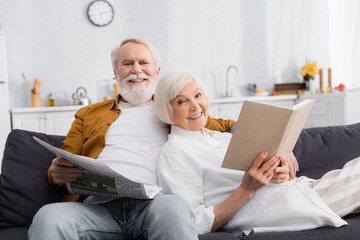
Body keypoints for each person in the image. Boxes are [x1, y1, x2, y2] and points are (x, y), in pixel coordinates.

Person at [28, 39, 236, 240]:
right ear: (116, 73)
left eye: (143, 63)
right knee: (48, 217)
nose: (136, 70)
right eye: (127, 64)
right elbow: (64, 159)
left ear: (157, 71)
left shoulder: (173, 108)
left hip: (155, 206)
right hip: (98, 208)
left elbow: (224, 125)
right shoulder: (88, 113)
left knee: (175, 206)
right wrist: (55, 174)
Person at [154, 72, 360, 236]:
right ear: (168, 110)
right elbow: (195, 222)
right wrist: (246, 189)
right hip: (294, 206)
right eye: (182, 102)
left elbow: (277, 172)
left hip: (305, 189)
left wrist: (281, 170)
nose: (195, 106)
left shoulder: (220, 137)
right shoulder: (175, 153)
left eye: (197, 95)